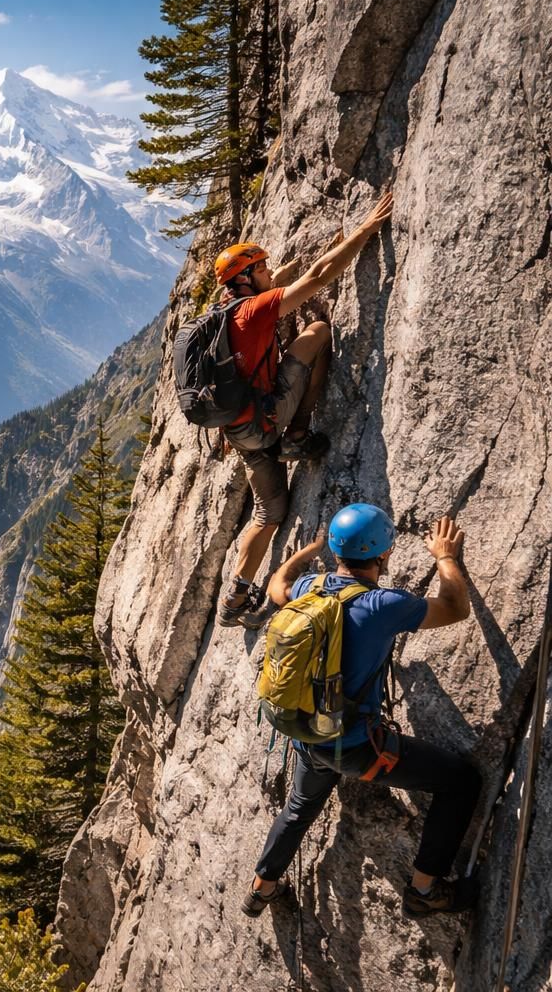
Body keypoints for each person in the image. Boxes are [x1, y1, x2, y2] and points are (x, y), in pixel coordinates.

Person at [242, 505, 481, 919]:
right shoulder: (383, 605)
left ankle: (261, 890)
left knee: (299, 808)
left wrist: (307, 552)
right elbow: (455, 607)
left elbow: (277, 586)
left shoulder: (309, 587)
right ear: (383, 553)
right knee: (461, 782)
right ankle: (425, 891)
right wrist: (444, 557)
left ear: (337, 551)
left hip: (308, 735)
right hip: (357, 748)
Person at [216, 191, 394, 628]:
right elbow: (317, 277)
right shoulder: (254, 311)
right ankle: (296, 433)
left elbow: (280, 280)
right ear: (247, 277)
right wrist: (363, 231)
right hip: (268, 420)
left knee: (268, 514)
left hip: (239, 431)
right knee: (316, 332)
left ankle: (234, 599)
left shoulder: (223, 312)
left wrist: (292, 266)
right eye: (261, 268)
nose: (269, 272)